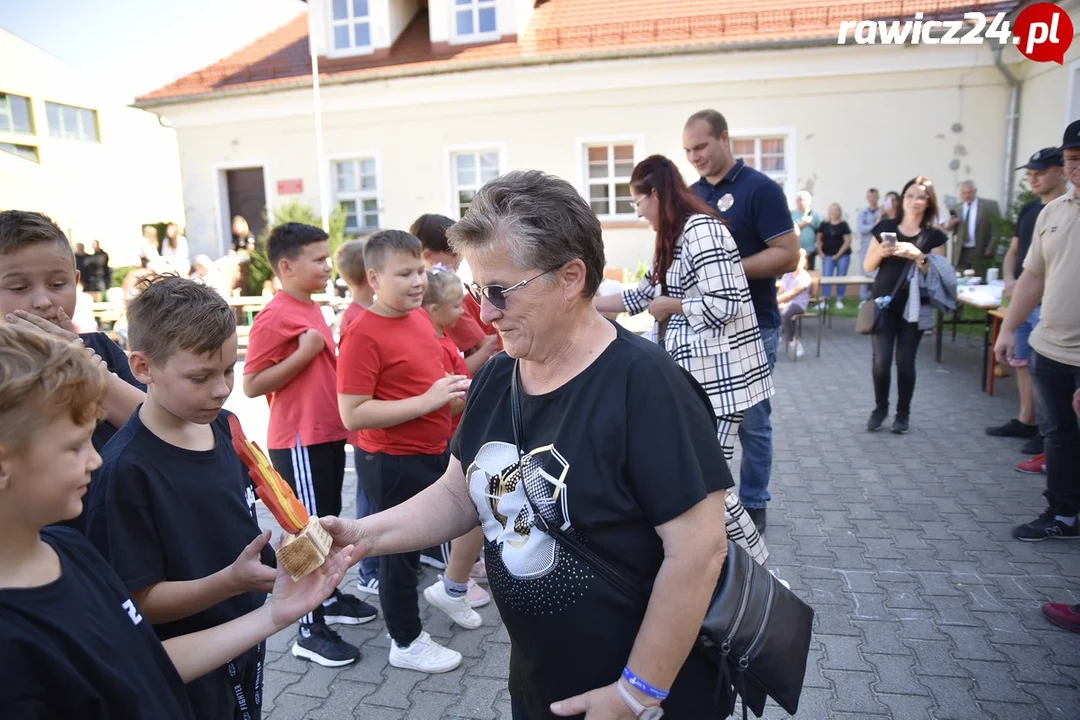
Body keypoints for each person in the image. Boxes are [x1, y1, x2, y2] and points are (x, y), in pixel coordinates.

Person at [322, 169, 732, 719]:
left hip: (644, 698)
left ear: (569, 278)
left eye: (499, 291)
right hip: (542, 686)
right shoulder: (499, 375)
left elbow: (699, 552)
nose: (485, 313)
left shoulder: (648, 387)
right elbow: (457, 494)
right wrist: (360, 536)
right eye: (477, 291)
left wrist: (635, 693)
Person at [0, 324, 353, 718]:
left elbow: (142, 663)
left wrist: (274, 614)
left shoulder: (71, 549)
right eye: (74, 447)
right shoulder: (12, 642)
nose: (96, 459)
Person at [84, 276, 280, 719]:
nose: (220, 388)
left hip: (245, 634)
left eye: (229, 369)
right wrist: (230, 582)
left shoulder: (224, 426)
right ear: (142, 367)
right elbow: (137, 599)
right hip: (185, 662)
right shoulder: (125, 472)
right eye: (200, 376)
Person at [593, 154, 771, 565]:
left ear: (655, 194)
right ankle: (735, 573)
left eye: (638, 203)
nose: (638, 213)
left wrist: (673, 305)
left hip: (724, 383)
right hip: (702, 384)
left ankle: (762, 575)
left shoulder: (702, 230)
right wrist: (585, 304)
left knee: (714, 493)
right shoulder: (676, 234)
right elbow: (643, 296)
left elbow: (725, 304)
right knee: (710, 489)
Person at [242, 223, 376, 667]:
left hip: (326, 435)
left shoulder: (308, 305)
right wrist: (303, 353)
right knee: (306, 530)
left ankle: (329, 597)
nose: (327, 267)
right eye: (318, 260)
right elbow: (251, 384)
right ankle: (307, 627)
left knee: (327, 524)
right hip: (299, 438)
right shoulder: (275, 314)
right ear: (286, 266)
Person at [336, 230, 470, 674]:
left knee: (417, 546)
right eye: (404, 274)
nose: (417, 282)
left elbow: (428, 381)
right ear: (374, 278)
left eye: (420, 271)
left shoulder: (416, 318)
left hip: (432, 449)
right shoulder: (361, 332)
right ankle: (406, 641)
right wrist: (429, 401)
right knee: (397, 553)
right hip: (391, 461)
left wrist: (451, 395)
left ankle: (437, 602)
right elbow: (352, 414)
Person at [683, 109, 800, 531]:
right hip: (704, 328)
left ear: (724, 138)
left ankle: (754, 501)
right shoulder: (691, 194)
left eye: (701, 146)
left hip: (755, 325)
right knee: (704, 420)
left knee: (752, 420)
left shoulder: (760, 189)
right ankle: (712, 503)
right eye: (688, 150)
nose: (694, 156)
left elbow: (788, 254)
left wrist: (725, 271)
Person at [0, 210, 145, 530]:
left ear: (77, 282)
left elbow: (161, 424)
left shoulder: (100, 349)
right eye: (18, 287)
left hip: (125, 532)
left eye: (57, 283)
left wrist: (87, 366)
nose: (42, 301)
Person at [994, 120, 1080, 542]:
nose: (1077, 167)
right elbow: (1034, 276)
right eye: (1072, 159)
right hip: (1051, 349)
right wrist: (1008, 329)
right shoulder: (1052, 212)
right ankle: (1062, 514)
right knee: (1057, 436)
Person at [420, 266, 491, 624]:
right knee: (472, 506)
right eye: (457, 306)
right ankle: (454, 583)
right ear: (434, 310)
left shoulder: (444, 338)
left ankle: (455, 583)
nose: (465, 312)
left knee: (480, 506)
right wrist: (483, 391)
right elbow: (449, 397)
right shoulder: (431, 344)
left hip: (456, 432)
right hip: (451, 436)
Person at [985, 147, 1067, 462]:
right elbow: (1016, 249)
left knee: (1047, 370)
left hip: (1050, 305)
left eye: (1040, 173)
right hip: (1023, 298)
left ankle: (1048, 434)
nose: (1032, 178)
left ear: (1060, 171)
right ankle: (1026, 420)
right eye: (1029, 173)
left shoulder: (1065, 210)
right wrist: (1009, 277)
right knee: (1021, 363)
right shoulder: (1032, 209)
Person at [863, 176, 949, 434]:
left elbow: (939, 276)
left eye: (921, 197)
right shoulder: (885, 226)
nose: (914, 201)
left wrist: (919, 256)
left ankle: (903, 414)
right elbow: (868, 266)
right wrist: (882, 252)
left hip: (915, 307)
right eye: (910, 196)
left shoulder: (934, 236)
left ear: (928, 202)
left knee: (905, 361)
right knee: (881, 360)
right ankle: (880, 409)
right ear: (903, 199)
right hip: (883, 303)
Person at [411, 213, 500, 375]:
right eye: (453, 253)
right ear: (428, 256)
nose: (458, 259)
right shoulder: (444, 295)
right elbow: (483, 344)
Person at [950, 180, 1001, 271]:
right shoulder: (956, 208)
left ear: (975, 191)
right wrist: (951, 224)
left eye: (969, 192)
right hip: (961, 252)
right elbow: (952, 230)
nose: (967, 196)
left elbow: (996, 229)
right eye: (964, 193)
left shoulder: (989, 206)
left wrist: (991, 248)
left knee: (978, 279)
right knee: (960, 279)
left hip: (980, 250)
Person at [816, 202, 853, 308]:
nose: (834, 212)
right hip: (827, 255)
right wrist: (820, 252)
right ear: (829, 212)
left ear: (840, 212)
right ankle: (825, 300)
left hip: (843, 255)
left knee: (841, 277)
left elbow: (847, 241)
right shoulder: (824, 224)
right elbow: (818, 239)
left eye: (836, 210)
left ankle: (839, 299)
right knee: (827, 277)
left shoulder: (844, 225)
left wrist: (838, 255)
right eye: (832, 210)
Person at [778, 249, 813, 357]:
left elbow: (792, 293)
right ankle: (776, 335)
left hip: (798, 305)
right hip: (786, 303)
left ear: (804, 262)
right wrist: (777, 302)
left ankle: (795, 343)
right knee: (772, 311)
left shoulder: (805, 277)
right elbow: (781, 291)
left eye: (800, 260)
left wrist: (776, 302)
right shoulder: (787, 275)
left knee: (785, 315)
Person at [856, 189, 883, 304]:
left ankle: (875, 297)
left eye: (874, 196)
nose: (872, 198)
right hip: (865, 247)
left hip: (879, 247)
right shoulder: (862, 213)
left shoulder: (882, 212)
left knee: (877, 272)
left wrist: (875, 226)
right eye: (870, 196)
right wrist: (876, 224)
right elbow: (861, 229)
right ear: (867, 198)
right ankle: (864, 299)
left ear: (878, 197)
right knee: (864, 272)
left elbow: (882, 228)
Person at [792, 191, 821, 271]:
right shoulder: (792, 214)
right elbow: (789, 230)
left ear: (808, 201)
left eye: (803, 200)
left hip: (810, 250)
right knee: (796, 272)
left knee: (810, 272)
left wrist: (819, 247)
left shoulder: (815, 215)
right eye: (798, 200)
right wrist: (801, 224)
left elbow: (820, 232)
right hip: (796, 250)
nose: (801, 202)